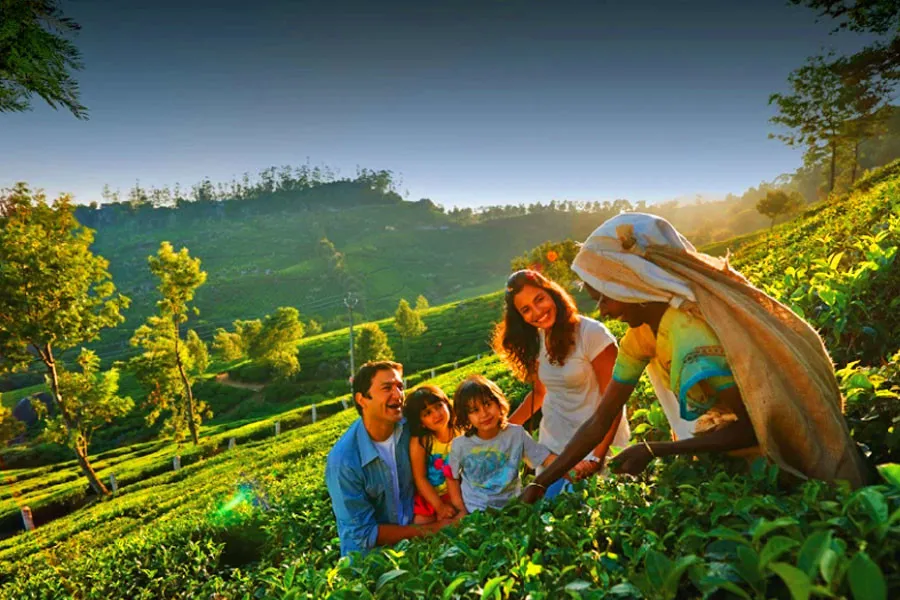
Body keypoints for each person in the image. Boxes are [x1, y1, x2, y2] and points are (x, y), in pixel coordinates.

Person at [522, 213, 868, 504]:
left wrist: (656, 449)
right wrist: (540, 482)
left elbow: (752, 431)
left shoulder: (691, 334)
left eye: (606, 298)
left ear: (633, 286)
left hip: (776, 467)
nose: (605, 311)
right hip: (732, 468)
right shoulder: (641, 336)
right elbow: (600, 419)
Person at [493, 269, 631, 498]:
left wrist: (597, 456)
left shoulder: (592, 334)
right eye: (526, 310)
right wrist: (502, 431)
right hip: (553, 450)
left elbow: (614, 403)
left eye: (539, 299)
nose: (537, 312)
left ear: (552, 293)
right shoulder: (539, 339)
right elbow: (540, 393)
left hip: (594, 447)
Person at [325, 361, 455, 557]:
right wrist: (436, 528)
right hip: (372, 563)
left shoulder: (412, 430)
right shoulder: (343, 461)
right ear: (362, 399)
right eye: (387, 388)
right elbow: (364, 534)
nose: (398, 395)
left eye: (400, 387)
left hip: (417, 544)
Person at [446, 375, 556, 514]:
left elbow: (545, 458)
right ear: (465, 417)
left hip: (514, 508)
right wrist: (462, 511)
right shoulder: (460, 445)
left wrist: (575, 467)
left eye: (487, 404)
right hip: (476, 512)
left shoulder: (516, 434)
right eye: (475, 411)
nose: (484, 414)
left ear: (499, 403)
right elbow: (452, 478)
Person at [402, 385, 462, 523]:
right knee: (421, 523)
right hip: (432, 496)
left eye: (438, 406)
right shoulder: (421, 441)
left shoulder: (460, 430)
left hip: (459, 490)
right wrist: (439, 506)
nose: (436, 414)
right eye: (427, 413)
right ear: (421, 422)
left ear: (447, 404)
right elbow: (420, 478)